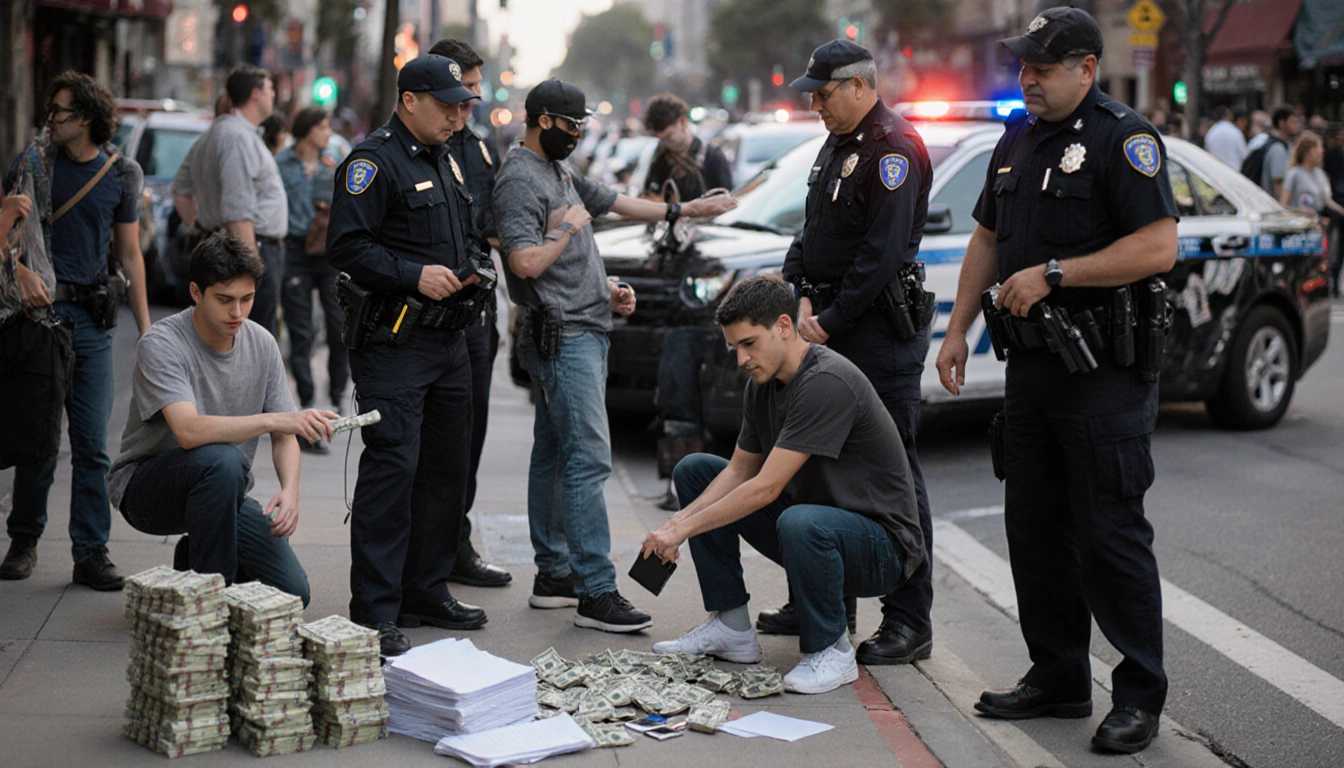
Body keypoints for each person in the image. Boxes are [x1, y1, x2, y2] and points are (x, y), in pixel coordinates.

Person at [933, 7, 1178, 754]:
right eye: (1024, 66)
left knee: (1110, 535)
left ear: (1087, 68)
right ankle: (1060, 677)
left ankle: (1137, 695)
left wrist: (1057, 273)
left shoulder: (1123, 138)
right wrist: (955, 329)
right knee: (1034, 531)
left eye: (1043, 67)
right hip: (1033, 369)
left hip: (1102, 372)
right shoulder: (1018, 137)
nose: (1027, 78)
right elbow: (986, 236)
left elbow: (1159, 245)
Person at [493, 79, 735, 634]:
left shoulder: (557, 171)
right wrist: (568, 232)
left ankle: (555, 575)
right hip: (563, 335)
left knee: (556, 453)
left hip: (584, 323)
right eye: (572, 125)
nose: (578, 135)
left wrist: (683, 212)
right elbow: (525, 262)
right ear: (544, 120)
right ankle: (595, 590)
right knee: (590, 459)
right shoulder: (518, 179)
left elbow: (614, 202)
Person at [642, 276, 924, 694]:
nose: (741, 359)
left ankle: (833, 651)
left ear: (785, 326)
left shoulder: (826, 381)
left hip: (882, 548)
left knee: (799, 520)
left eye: (749, 343)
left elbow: (765, 489)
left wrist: (682, 531)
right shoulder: (763, 384)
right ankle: (732, 627)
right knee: (694, 469)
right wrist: (674, 524)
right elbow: (738, 471)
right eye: (734, 347)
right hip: (816, 530)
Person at [774, 38, 936, 667]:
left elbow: (883, 254)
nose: (814, 102)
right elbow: (809, 234)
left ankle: (909, 618)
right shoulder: (838, 144)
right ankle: (820, 603)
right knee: (816, 463)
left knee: (892, 476)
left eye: (822, 92)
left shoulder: (893, 147)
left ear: (860, 85)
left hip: (872, 335)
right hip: (826, 327)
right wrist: (796, 298)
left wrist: (830, 319)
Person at [327, 54, 491, 658]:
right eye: (447, 104)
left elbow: (461, 232)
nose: (457, 114)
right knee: (392, 472)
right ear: (410, 100)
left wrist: (474, 266)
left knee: (447, 472)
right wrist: (412, 275)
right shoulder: (373, 163)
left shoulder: (443, 156)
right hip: (394, 343)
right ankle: (375, 610)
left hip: (448, 340)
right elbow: (345, 245)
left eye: (461, 104)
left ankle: (426, 589)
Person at [108, 233, 325, 605]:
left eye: (247, 299)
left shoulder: (261, 343)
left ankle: (194, 561)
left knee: (292, 595)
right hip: (147, 490)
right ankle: (208, 603)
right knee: (224, 460)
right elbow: (189, 431)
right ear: (196, 292)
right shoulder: (161, 344)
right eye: (225, 300)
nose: (237, 313)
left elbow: (284, 435)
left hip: (223, 489)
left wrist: (291, 491)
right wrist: (273, 420)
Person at [0, 71, 153, 590]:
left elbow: (130, 253)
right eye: (50, 110)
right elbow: (4, 231)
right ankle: (23, 540)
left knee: (92, 444)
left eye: (61, 112)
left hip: (92, 322)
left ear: (86, 117)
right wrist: (16, 268)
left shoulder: (121, 172)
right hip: (40, 321)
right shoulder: (31, 164)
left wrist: (149, 331)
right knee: (39, 438)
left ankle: (90, 551)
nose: (51, 120)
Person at [427, 37, 512, 589]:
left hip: (477, 314)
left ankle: (454, 542)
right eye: (467, 89)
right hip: (430, 317)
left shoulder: (478, 149)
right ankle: (428, 553)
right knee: (433, 445)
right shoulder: (418, 149)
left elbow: (494, 225)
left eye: (476, 89)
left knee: (470, 436)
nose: (473, 101)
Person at [641, 92, 736, 507]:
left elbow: (728, 205)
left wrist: (687, 212)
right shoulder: (661, 158)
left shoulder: (712, 156)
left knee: (697, 381)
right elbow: (647, 201)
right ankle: (677, 480)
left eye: (670, 133)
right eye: (661, 137)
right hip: (673, 274)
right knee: (673, 383)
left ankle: (700, 479)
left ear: (683, 122)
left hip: (705, 275)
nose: (669, 142)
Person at [171, 65, 288, 337]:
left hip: (233, 248)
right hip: (249, 250)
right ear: (256, 94)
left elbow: (180, 188)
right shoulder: (235, 137)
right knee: (253, 343)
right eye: (271, 90)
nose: (274, 96)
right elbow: (238, 212)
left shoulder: (219, 133)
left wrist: (201, 226)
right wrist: (251, 273)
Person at [275, 107, 347, 452]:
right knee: (301, 331)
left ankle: (336, 396)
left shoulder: (335, 164)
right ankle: (306, 408)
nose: (327, 133)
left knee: (338, 326)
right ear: (305, 132)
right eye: (322, 127)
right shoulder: (281, 164)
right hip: (293, 250)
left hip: (327, 252)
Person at [642, 93, 733, 202]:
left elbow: (726, 199)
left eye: (669, 136)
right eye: (662, 139)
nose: (666, 143)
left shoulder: (712, 157)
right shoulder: (659, 159)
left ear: (683, 121)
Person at [1281, 132, 1344, 220]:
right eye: (1317, 147)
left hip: (1318, 223)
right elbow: (1284, 204)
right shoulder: (1293, 174)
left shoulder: (1321, 174)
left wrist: (1341, 211)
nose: (1321, 151)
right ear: (1307, 150)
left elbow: (1326, 200)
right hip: (1299, 223)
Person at [1253, 105, 1302, 199]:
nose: (1296, 125)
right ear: (1282, 123)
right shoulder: (1277, 149)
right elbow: (1278, 184)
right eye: (1292, 121)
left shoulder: (1286, 146)